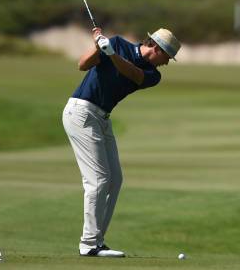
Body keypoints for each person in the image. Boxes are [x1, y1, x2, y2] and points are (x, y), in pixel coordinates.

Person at [62, 27, 181, 257]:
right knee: (98, 180)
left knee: (115, 180)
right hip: (81, 113)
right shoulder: (117, 43)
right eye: (167, 57)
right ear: (157, 48)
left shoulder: (153, 75)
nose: (167, 62)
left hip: (102, 118)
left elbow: (133, 74)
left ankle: (97, 240)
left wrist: (111, 54)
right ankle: (88, 244)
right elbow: (82, 64)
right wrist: (99, 45)